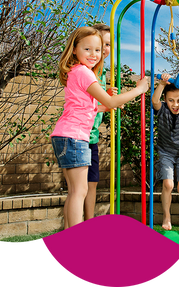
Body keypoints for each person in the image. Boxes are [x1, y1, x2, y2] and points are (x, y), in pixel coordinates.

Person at [51, 26, 149, 229]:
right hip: (76, 137)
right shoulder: (85, 73)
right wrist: (138, 90)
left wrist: (109, 104)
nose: (94, 54)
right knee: (80, 192)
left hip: (64, 135)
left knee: (74, 191)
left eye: (97, 50)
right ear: (75, 49)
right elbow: (110, 103)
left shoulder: (75, 72)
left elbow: (91, 106)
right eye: (87, 49)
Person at [152, 73, 179, 236]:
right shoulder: (161, 109)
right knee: (168, 185)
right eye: (171, 100)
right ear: (166, 99)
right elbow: (155, 101)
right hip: (166, 152)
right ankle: (167, 216)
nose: (175, 104)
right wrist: (162, 83)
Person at [83, 24, 114, 221]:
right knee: (80, 186)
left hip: (92, 136)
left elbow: (100, 103)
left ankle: (89, 222)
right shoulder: (87, 70)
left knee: (92, 182)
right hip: (80, 135)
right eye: (101, 43)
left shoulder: (102, 72)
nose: (104, 49)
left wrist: (108, 97)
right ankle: (77, 227)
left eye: (108, 44)